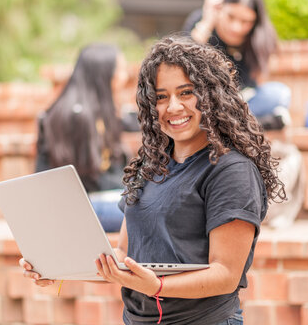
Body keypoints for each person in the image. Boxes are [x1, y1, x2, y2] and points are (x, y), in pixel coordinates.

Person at [21, 37, 285, 324]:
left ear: (211, 95)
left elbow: (225, 275)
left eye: (186, 93)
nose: (173, 107)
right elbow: (123, 253)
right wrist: (58, 268)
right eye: (161, 96)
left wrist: (157, 287)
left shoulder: (231, 170)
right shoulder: (151, 164)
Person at [36, 43, 131, 231]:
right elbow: (86, 179)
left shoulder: (95, 112)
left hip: (91, 201)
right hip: (74, 208)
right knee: (146, 212)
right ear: (103, 74)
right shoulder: (77, 116)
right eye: (120, 71)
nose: (124, 77)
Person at [183, 0, 291, 130]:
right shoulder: (200, 22)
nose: (236, 27)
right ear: (221, 8)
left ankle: (232, 124)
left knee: (279, 93)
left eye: (245, 22)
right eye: (231, 17)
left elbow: (253, 85)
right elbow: (182, 65)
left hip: (239, 102)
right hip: (205, 100)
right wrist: (207, 23)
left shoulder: (257, 37)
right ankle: (253, 123)